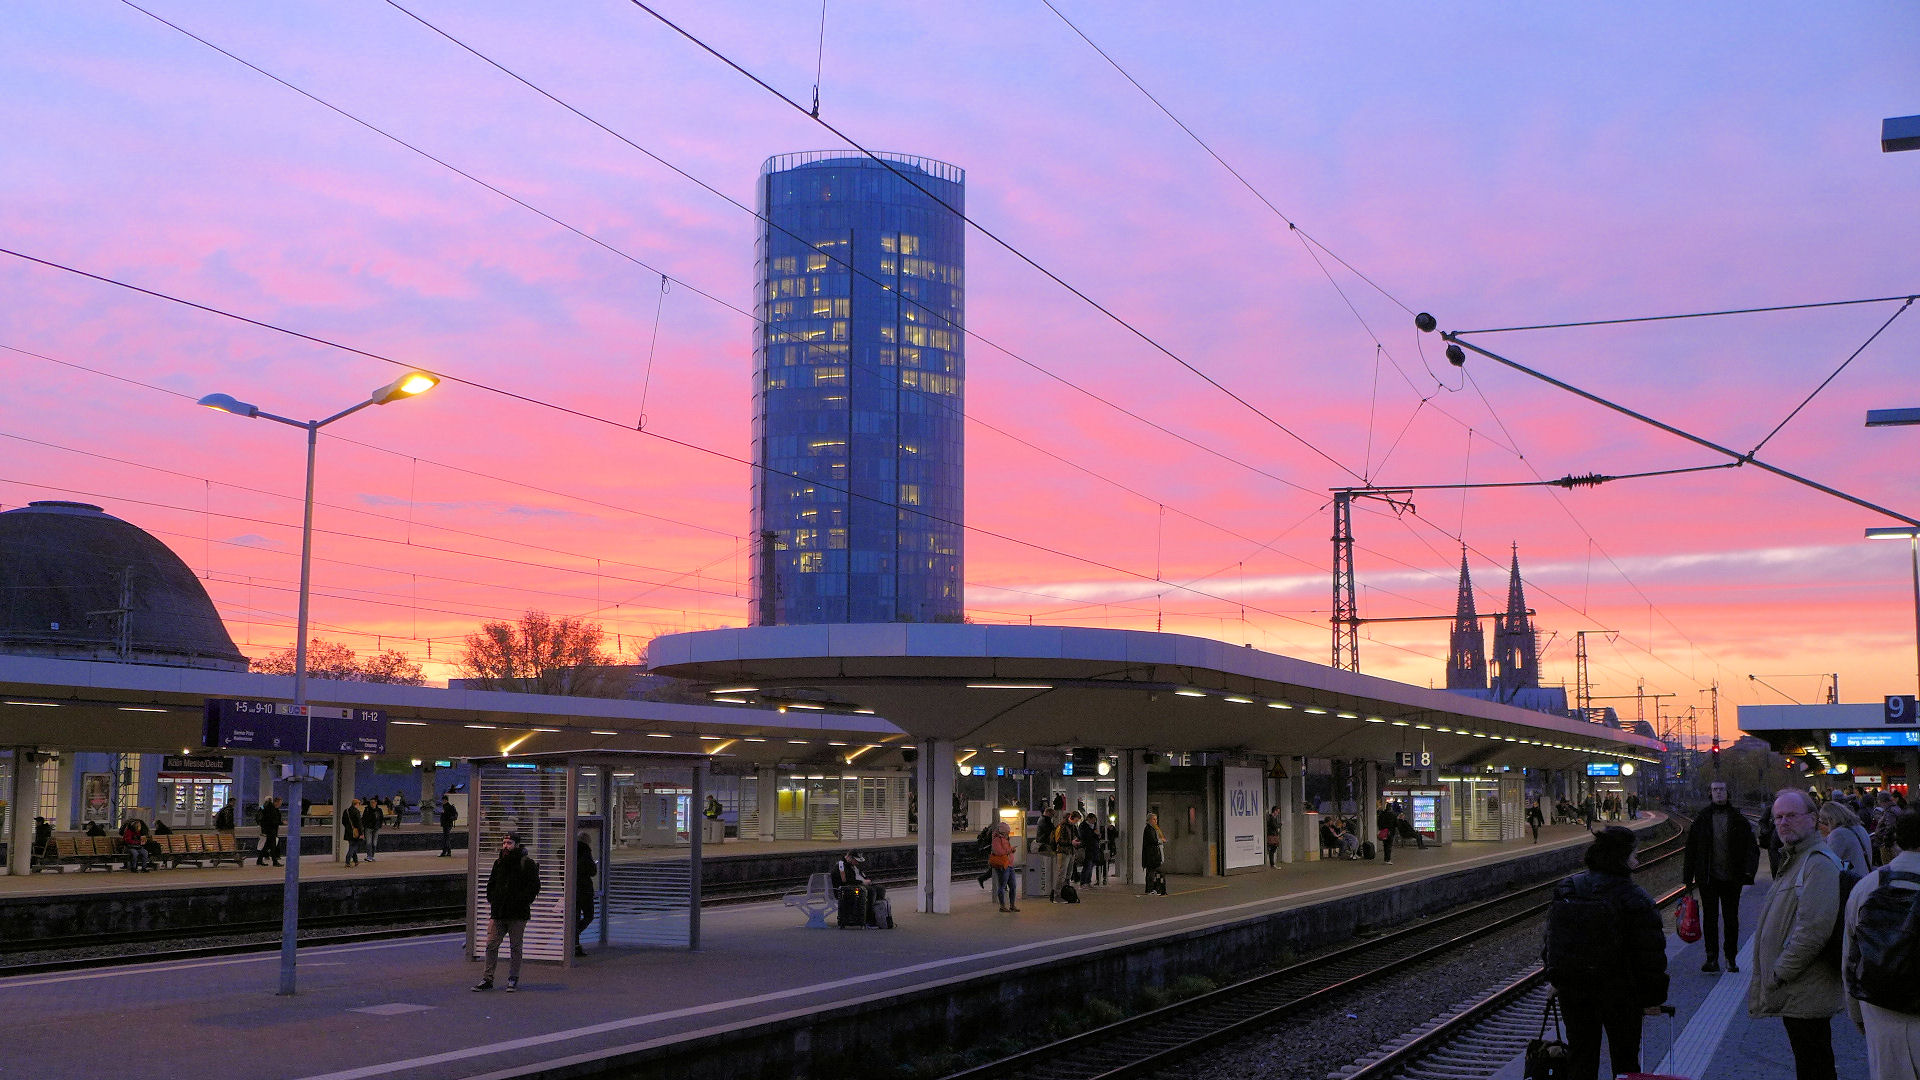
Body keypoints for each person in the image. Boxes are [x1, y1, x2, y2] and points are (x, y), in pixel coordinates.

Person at [1542, 826, 1669, 1080]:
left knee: (1581, 1058)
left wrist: (1555, 980)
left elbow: (1553, 942)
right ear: (1621, 857)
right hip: (1622, 996)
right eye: (1633, 854)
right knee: (1625, 1061)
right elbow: (1649, 956)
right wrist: (1652, 998)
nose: (1637, 859)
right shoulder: (1636, 899)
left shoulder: (1569, 888)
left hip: (1575, 994)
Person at [1750, 788, 1844, 1080]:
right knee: (1810, 1062)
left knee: (1815, 1065)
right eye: (1778, 817)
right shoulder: (1795, 860)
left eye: (1791, 815)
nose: (1783, 822)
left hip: (1805, 988)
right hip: (1798, 990)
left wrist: (1779, 973)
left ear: (1813, 819)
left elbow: (1813, 931)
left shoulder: (1817, 863)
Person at [1843, 809, 1920, 1079]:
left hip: (1882, 1015)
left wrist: (1857, 1014)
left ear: (1898, 841)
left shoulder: (1867, 886)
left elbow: (1850, 958)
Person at [1683, 779, 1760, 974]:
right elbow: (1691, 849)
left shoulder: (1738, 819)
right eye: (1715, 790)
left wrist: (1749, 872)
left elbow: (1752, 848)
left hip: (1732, 878)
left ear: (1728, 793)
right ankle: (1712, 958)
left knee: (1731, 918)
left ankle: (1730, 958)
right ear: (1710, 793)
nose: (1718, 793)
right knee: (1710, 918)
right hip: (1708, 878)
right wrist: (1688, 878)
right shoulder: (1702, 819)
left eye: (1722, 790)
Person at [473, 835, 540, 992]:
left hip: (517, 913)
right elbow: (491, 883)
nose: (505, 846)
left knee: (515, 947)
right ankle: (487, 979)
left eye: (509, 843)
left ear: (516, 845)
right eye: (503, 842)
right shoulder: (498, 863)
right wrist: (493, 899)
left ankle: (513, 978)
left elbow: (534, 886)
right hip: (499, 912)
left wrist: (522, 901)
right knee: (491, 945)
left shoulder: (526, 863)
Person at [1816, 801, 1873, 873]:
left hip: (1852, 881)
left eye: (1823, 822)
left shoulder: (1838, 834)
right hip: (1865, 877)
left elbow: (1827, 864)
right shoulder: (1860, 828)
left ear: (1830, 820)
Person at [830, 850, 885, 924]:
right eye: (856, 860)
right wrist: (862, 882)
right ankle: (868, 918)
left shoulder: (852, 866)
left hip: (853, 887)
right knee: (870, 891)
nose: (857, 863)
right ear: (849, 857)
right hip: (844, 891)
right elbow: (845, 881)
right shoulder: (841, 865)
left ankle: (878, 915)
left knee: (880, 889)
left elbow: (861, 875)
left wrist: (866, 880)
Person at [574, 832, 597, 957]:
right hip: (584, 891)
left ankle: (574, 944)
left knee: (575, 918)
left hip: (572, 891)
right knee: (589, 916)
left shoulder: (568, 851)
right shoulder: (585, 852)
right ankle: (574, 935)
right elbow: (592, 871)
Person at [988, 820, 1020, 912]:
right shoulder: (996, 839)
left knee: (1013, 886)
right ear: (1003, 831)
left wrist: (1011, 850)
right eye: (1007, 832)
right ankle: (1002, 906)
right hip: (1002, 865)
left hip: (1009, 865)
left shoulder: (1005, 838)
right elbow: (999, 852)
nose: (1008, 833)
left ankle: (1012, 905)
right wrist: (1010, 851)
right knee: (1002, 886)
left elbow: (1005, 850)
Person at [1142, 812, 1167, 896]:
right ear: (1149, 820)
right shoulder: (1149, 829)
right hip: (1151, 856)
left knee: (1156, 873)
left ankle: (1157, 889)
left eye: (1156, 819)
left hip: (1154, 856)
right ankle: (1152, 889)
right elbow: (1153, 840)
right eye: (1154, 819)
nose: (1156, 821)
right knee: (1153, 873)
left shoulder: (1153, 829)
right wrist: (1160, 840)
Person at [256, 796, 283, 866]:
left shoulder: (264, 807)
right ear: (275, 802)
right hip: (271, 829)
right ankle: (275, 861)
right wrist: (281, 822)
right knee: (272, 845)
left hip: (268, 828)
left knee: (267, 845)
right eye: (280, 803)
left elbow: (260, 810)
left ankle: (259, 860)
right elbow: (272, 820)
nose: (280, 805)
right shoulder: (271, 809)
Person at [342, 798, 365, 867]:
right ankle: (347, 861)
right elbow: (359, 823)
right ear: (356, 804)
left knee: (352, 845)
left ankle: (356, 861)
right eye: (359, 804)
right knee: (353, 847)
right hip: (356, 832)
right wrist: (361, 833)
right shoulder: (356, 811)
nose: (359, 805)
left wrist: (348, 827)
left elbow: (343, 822)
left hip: (348, 831)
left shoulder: (346, 811)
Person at [362, 797, 384, 862]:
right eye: (371, 802)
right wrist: (364, 826)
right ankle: (369, 856)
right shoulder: (367, 809)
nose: (372, 804)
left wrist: (380, 825)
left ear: (376, 803)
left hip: (376, 828)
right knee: (368, 842)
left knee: (374, 843)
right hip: (368, 828)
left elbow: (381, 818)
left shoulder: (379, 810)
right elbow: (364, 818)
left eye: (373, 802)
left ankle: (372, 856)